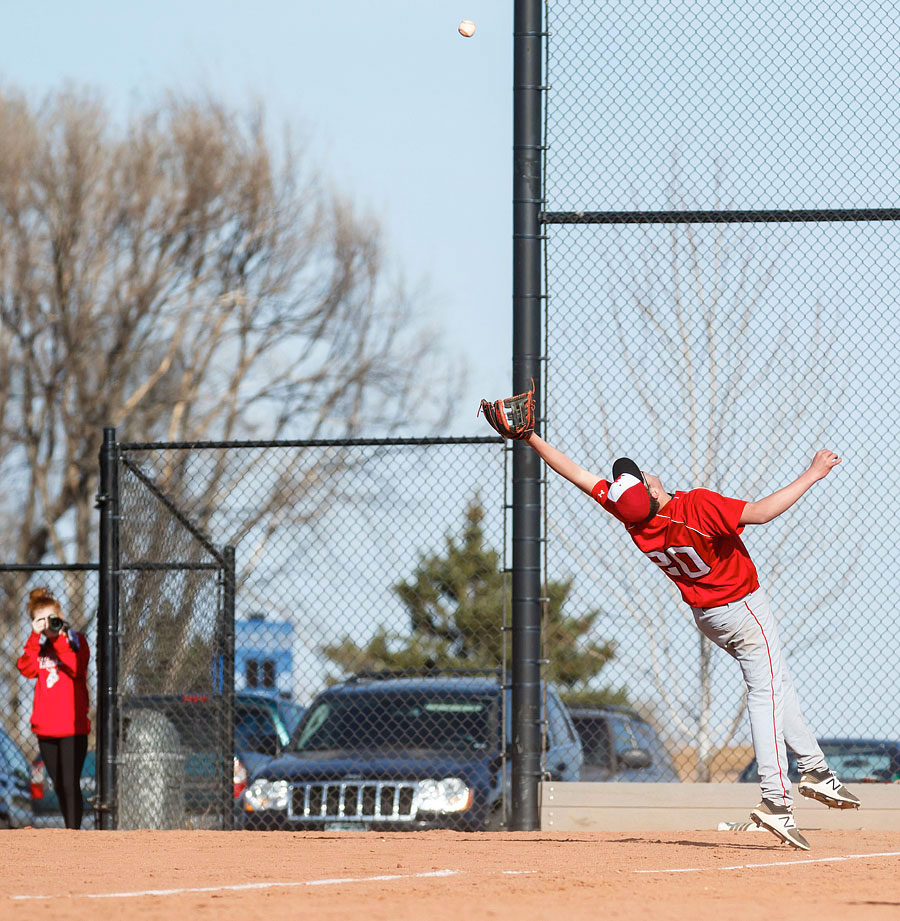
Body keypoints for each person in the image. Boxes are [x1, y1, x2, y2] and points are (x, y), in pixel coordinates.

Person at [519, 429, 859, 851]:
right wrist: (812, 474)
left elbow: (576, 473)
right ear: (651, 488)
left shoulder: (632, 517)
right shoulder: (694, 505)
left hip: (708, 617)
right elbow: (761, 513)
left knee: (777, 684)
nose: (642, 473)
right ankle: (776, 798)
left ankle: (817, 771)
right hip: (743, 610)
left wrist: (532, 438)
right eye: (640, 475)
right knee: (766, 694)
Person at [16, 587, 91, 830]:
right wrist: (34, 637)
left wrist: (58, 637)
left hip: (72, 726)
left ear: (60, 615)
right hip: (46, 728)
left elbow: (76, 667)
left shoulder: (74, 641)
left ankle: (73, 833)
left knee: (70, 783)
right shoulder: (38, 647)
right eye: (41, 620)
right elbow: (26, 668)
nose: (47, 624)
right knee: (58, 784)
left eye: (51, 618)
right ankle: (71, 830)